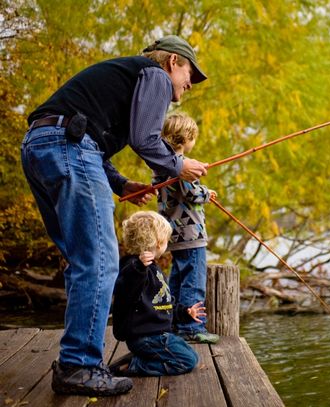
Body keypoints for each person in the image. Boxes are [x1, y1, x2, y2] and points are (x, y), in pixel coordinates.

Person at [20, 35, 208, 396]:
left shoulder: (126, 79)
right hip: (69, 147)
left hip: (40, 145)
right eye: (189, 72)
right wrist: (179, 165)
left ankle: (78, 361)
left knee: (83, 260)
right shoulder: (153, 75)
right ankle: (80, 366)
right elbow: (145, 138)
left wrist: (121, 185)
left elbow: (90, 138)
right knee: (99, 262)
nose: (190, 83)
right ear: (172, 62)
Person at [110, 211, 201, 376]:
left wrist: (185, 312)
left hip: (158, 335)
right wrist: (138, 268)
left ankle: (136, 359)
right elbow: (125, 289)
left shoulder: (154, 269)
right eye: (166, 240)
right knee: (187, 361)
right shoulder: (132, 268)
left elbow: (165, 302)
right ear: (159, 243)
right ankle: (135, 365)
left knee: (193, 355)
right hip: (145, 337)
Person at [154, 113, 219, 344]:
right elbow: (190, 192)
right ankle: (191, 327)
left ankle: (173, 321)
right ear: (187, 138)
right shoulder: (183, 167)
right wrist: (207, 194)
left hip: (173, 233)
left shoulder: (161, 166)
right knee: (193, 281)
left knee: (177, 279)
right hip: (191, 234)